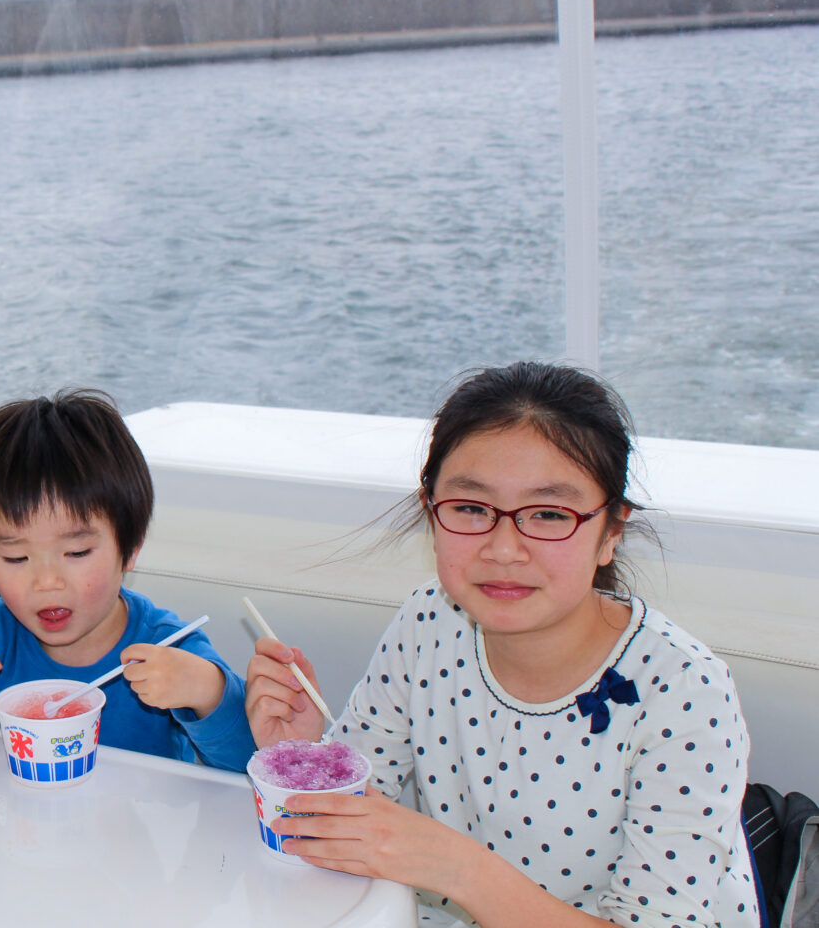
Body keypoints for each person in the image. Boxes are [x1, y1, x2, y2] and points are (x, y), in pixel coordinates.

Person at [245, 362, 761, 927]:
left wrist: (459, 870)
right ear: (431, 513)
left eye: (549, 514)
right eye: (471, 509)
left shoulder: (686, 690)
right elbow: (360, 822)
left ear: (611, 531)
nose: (504, 549)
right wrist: (305, 762)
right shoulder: (430, 620)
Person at [0, 388, 255, 771]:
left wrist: (207, 691)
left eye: (76, 553)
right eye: (15, 557)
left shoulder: (168, 645)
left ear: (129, 548)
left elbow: (253, 761)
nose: (46, 582)